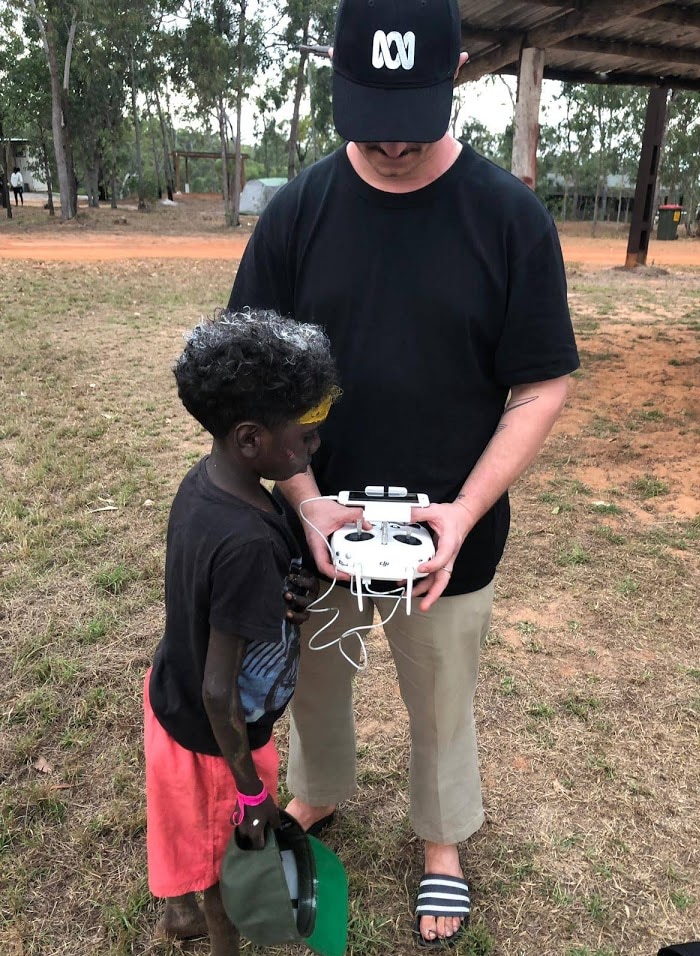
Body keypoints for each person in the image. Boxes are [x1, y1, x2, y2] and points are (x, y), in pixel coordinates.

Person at [227, 0, 580, 945]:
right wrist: (303, 503)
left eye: (413, 117)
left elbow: (539, 385)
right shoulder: (299, 209)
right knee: (315, 683)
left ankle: (441, 841)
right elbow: (251, 377)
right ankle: (318, 792)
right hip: (319, 522)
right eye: (369, 118)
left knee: (440, 689)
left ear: (456, 71)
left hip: (448, 530)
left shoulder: (508, 217)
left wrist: (463, 512)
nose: (389, 144)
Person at [143, 308, 340, 956]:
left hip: (169, 696)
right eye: (305, 438)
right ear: (251, 439)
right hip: (213, 739)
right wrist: (251, 791)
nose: (313, 450)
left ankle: (178, 912)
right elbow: (219, 692)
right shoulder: (246, 539)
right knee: (227, 860)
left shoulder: (208, 486)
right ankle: (216, 936)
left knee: (191, 836)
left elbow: (216, 600)